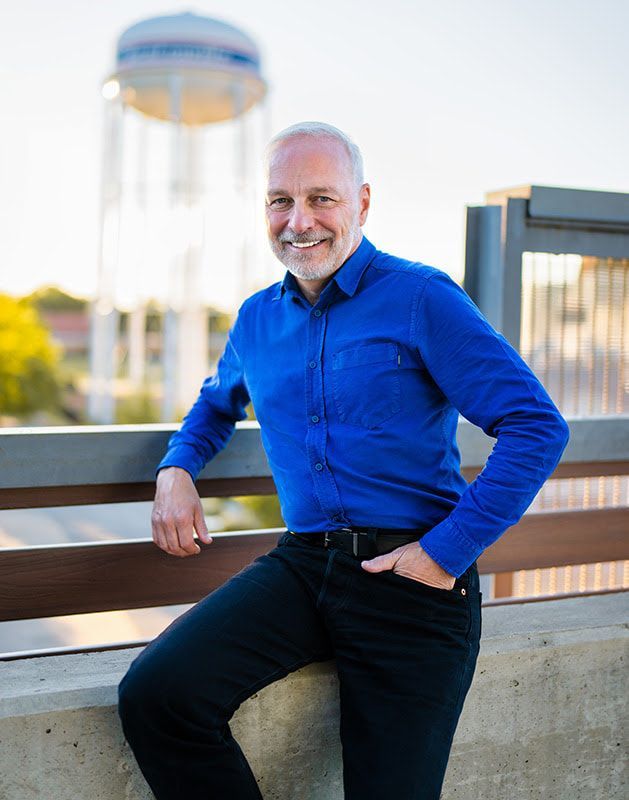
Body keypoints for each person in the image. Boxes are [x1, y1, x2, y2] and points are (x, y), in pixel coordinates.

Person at [117, 121, 570, 799]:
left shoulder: (420, 296)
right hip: (303, 566)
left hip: (414, 577)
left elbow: (536, 426)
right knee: (159, 696)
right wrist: (176, 469)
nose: (299, 221)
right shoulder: (254, 319)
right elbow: (215, 405)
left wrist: (443, 554)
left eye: (320, 199)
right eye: (279, 201)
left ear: (361, 203)